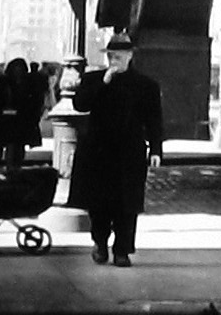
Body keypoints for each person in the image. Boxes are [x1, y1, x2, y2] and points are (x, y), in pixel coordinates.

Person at [67, 34, 163, 268]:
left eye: (119, 56)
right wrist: (104, 82)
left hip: (129, 152)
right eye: (110, 56)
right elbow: (80, 104)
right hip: (98, 151)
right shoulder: (94, 79)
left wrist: (156, 149)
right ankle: (100, 243)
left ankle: (122, 250)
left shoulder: (146, 85)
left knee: (127, 205)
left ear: (130, 56)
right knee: (98, 203)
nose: (114, 60)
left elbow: (154, 120)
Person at [0, 57, 32, 170]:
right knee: (9, 143)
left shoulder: (26, 83)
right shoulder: (5, 82)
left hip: (20, 118)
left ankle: (16, 166)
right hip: (6, 117)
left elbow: (31, 100)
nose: (18, 71)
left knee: (19, 143)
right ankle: (9, 166)